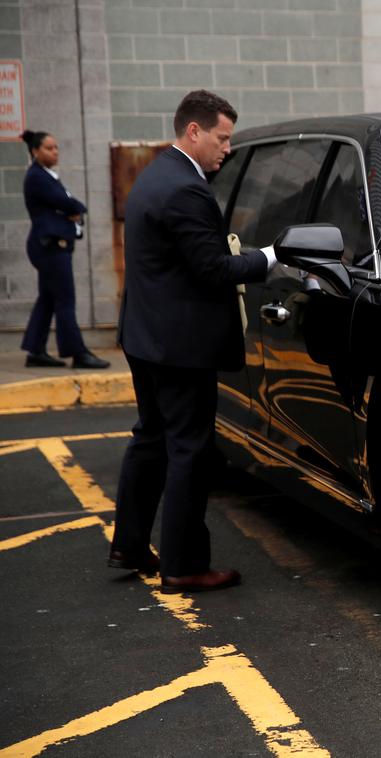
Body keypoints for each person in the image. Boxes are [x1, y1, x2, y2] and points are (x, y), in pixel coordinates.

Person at [108, 90, 276, 592]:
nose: (227, 148)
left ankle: (130, 545)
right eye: (222, 138)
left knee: (152, 439)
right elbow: (213, 269)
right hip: (179, 348)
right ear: (194, 132)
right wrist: (269, 257)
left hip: (146, 338)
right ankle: (182, 565)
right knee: (188, 451)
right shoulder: (187, 189)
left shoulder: (157, 175)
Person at [19, 130, 110, 369]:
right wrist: (75, 208)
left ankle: (35, 350)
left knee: (48, 299)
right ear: (35, 151)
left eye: (56, 147)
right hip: (50, 248)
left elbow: (63, 205)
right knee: (65, 300)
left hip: (50, 246)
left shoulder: (48, 175)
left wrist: (70, 211)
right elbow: (67, 203)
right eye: (49, 148)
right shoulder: (37, 177)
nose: (55, 151)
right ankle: (77, 353)